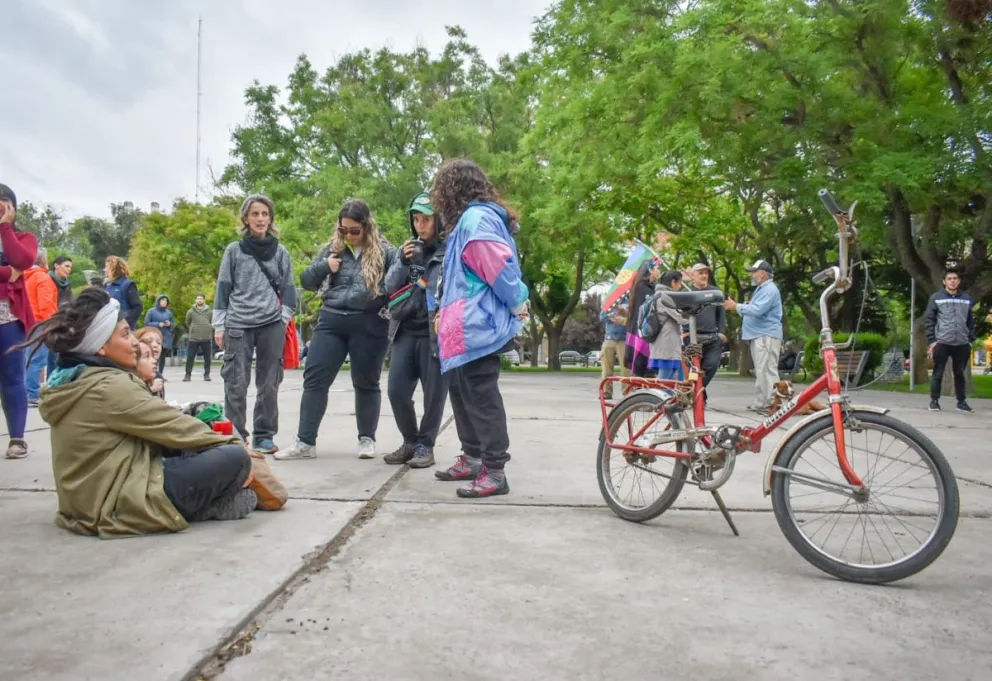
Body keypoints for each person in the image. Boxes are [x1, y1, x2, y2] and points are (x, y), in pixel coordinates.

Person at [22, 287, 256, 537]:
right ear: (101, 347)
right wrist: (238, 449)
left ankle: (214, 497)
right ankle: (201, 508)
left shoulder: (77, 379)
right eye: (125, 335)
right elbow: (175, 427)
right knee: (233, 458)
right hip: (116, 503)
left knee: (190, 448)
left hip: (87, 500)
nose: (135, 342)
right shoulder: (108, 386)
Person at [430, 159, 529, 499]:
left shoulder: (476, 220)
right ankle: (473, 456)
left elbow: (499, 271)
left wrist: (518, 302)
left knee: (481, 394)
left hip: (478, 323)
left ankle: (495, 470)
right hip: (464, 324)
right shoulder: (469, 221)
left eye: (440, 190)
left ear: (451, 190)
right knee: (463, 391)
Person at [276, 199, 395, 461]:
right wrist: (324, 266)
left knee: (366, 382)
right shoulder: (333, 249)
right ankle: (305, 443)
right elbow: (307, 282)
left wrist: (379, 296)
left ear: (367, 226)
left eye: (354, 230)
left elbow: (398, 282)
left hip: (369, 323)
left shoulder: (386, 252)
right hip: (332, 321)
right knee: (315, 379)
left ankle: (367, 439)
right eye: (343, 230)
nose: (349, 235)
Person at [214, 194, 297, 454]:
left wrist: (283, 318)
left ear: (270, 218)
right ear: (246, 218)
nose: (260, 219)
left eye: (264, 214)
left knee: (269, 383)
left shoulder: (281, 252)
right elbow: (223, 288)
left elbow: (289, 289)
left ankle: (264, 435)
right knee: (236, 383)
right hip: (238, 323)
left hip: (271, 323)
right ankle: (237, 435)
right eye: (255, 214)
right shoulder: (234, 250)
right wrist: (219, 325)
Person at [382, 192, 448, 469]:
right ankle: (410, 440)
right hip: (405, 329)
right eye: (416, 219)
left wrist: (427, 267)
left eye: (426, 220)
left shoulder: (448, 250)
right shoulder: (406, 249)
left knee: (433, 395)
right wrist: (404, 261)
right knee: (396, 390)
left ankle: (426, 445)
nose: (420, 225)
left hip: (435, 332)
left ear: (438, 221)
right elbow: (389, 286)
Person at [0, 184, 39, 460]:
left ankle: (17, 438)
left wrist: (5, 228)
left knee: (13, 379)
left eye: (3, 201)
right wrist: (6, 273)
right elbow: (12, 271)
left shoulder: (24, 237)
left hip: (9, 319)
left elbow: (22, 260)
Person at [724, 259, 783, 413]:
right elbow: (754, 308)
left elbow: (757, 310)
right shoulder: (762, 289)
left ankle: (772, 403)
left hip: (766, 335)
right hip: (760, 335)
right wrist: (739, 307)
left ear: (763, 274)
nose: (752, 275)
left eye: (754, 272)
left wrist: (736, 306)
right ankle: (762, 402)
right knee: (761, 370)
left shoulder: (769, 289)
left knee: (767, 370)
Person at [925, 269, 975, 413]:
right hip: (942, 342)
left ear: (959, 281)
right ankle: (934, 402)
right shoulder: (936, 298)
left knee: (959, 374)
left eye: (955, 278)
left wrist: (970, 339)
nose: (952, 281)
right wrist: (932, 340)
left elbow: (971, 320)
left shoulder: (966, 298)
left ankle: (961, 403)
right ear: (944, 281)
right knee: (938, 373)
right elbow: (929, 319)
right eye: (949, 278)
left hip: (962, 343)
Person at [24, 247, 59, 406]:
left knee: (29, 358)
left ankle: (27, 391)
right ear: (43, 260)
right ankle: (32, 393)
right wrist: (52, 324)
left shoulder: (26, 277)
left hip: (28, 322)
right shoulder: (43, 278)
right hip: (41, 322)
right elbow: (46, 305)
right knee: (38, 359)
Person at [687, 263, 726, 400]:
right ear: (693, 275)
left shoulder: (716, 292)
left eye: (706, 273)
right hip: (692, 338)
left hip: (712, 337)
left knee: (711, 365)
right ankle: (698, 395)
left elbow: (721, 314)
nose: (704, 276)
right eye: (700, 273)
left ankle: (695, 390)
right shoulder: (686, 292)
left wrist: (721, 332)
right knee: (692, 369)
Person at [625, 259, 661, 377]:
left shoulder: (651, 287)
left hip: (646, 328)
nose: (659, 271)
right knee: (642, 366)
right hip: (641, 328)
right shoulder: (641, 287)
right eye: (657, 268)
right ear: (650, 269)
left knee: (646, 368)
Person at [648, 271, 687, 380]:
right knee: (665, 377)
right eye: (679, 283)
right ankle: (654, 392)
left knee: (671, 377)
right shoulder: (665, 297)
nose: (680, 286)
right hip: (666, 342)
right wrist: (694, 316)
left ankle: (665, 392)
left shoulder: (658, 295)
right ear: (673, 282)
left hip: (664, 341)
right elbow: (680, 317)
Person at [598, 294, 630, 400]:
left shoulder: (629, 301)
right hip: (609, 338)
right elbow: (602, 317)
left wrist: (623, 315)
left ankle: (627, 392)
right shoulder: (609, 301)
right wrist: (613, 316)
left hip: (624, 339)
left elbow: (632, 319)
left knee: (626, 369)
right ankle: (606, 392)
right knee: (606, 368)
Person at [47, 255, 74, 379]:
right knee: (43, 359)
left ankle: (52, 383)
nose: (69, 269)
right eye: (66, 266)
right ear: (56, 266)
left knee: (56, 357)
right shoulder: (48, 280)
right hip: (48, 322)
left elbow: (71, 302)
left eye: (70, 267)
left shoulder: (67, 284)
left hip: (62, 323)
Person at [104, 256, 142, 330]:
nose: (104, 270)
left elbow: (138, 307)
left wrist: (125, 323)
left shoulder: (128, 285)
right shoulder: (107, 286)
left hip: (124, 330)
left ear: (114, 269)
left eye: (107, 267)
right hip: (109, 328)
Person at [184, 294, 213, 382]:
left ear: (204, 300)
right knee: (190, 357)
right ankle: (187, 375)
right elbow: (187, 322)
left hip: (206, 337)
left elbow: (212, 322)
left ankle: (207, 375)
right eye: (198, 299)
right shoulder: (190, 312)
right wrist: (193, 328)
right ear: (195, 300)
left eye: (201, 299)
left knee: (207, 358)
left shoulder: (210, 312)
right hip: (193, 338)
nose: (199, 300)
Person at [144, 295, 175, 374]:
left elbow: (173, 325)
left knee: (162, 357)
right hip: (154, 337)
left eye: (166, 300)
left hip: (165, 337)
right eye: (163, 300)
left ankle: (160, 374)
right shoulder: (151, 311)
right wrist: (158, 324)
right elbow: (146, 323)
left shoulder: (169, 313)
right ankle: (152, 373)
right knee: (154, 356)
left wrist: (169, 324)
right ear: (158, 301)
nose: (165, 302)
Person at [135, 326, 167, 399]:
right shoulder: (130, 377)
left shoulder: (158, 376)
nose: (155, 345)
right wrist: (151, 390)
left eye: (159, 343)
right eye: (149, 341)